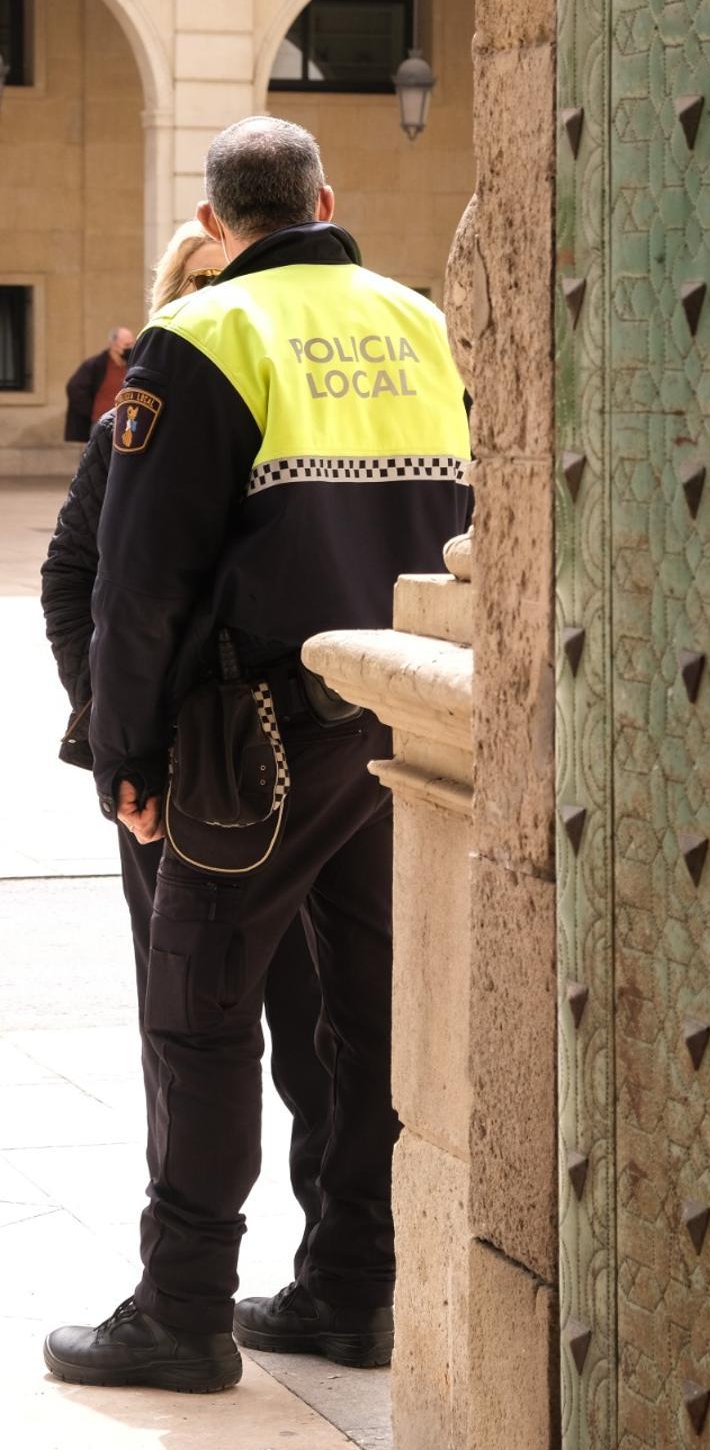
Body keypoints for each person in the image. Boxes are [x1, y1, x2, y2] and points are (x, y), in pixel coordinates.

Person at [44, 117, 471, 1394]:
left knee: (203, 1011)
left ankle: (182, 1309)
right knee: (362, 1024)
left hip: (255, 738)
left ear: (218, 223)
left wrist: (124, 754)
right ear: (327, 197)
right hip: (396, 720)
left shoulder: (205, 335)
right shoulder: (420, 321)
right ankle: (353, 1287)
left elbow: (138, 582)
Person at [40, 222, 333, 1315]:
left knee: (316, 1033)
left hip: (300, 760)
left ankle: (327, 1272)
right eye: (202, 290)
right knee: (194, 1023)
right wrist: (120, 737)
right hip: (179, 775)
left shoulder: (298, 420)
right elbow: (77, 580)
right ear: (175, 306)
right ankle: (191, 1280)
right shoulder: (132, 421)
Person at [64, 326, 135, 442]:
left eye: (132, 344)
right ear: (113, 345)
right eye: (126, 345)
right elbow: (74, 388)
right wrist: (91, 411)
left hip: (127, 424)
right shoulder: (96, 365)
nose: (130, 348)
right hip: (101, 424)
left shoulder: (133, 365)